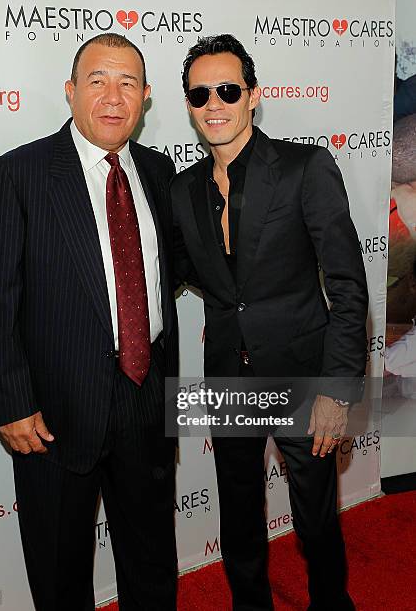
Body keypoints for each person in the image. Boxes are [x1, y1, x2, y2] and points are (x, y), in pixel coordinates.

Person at [0, 33, 178, 611]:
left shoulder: (160, 173)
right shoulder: (18, 174)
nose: (113, 97)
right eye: (97, 81)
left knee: (152, 560)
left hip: (146, 395)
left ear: (146, 97)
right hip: (53, 412)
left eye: (128, 83)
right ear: (69, 91)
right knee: (60, 571)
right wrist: (11, 403)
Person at [171, 34, 368, 611]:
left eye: (227, 89)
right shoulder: (184, 190)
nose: (214, 103)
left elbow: (348, 284)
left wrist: (338, 387)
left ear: (253, 95)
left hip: (303, 376)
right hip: (229, 375)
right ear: (187, 103)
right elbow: (185, 274)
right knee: (237, 515)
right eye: (200, 93)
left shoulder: (306, 167)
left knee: (314, 520)